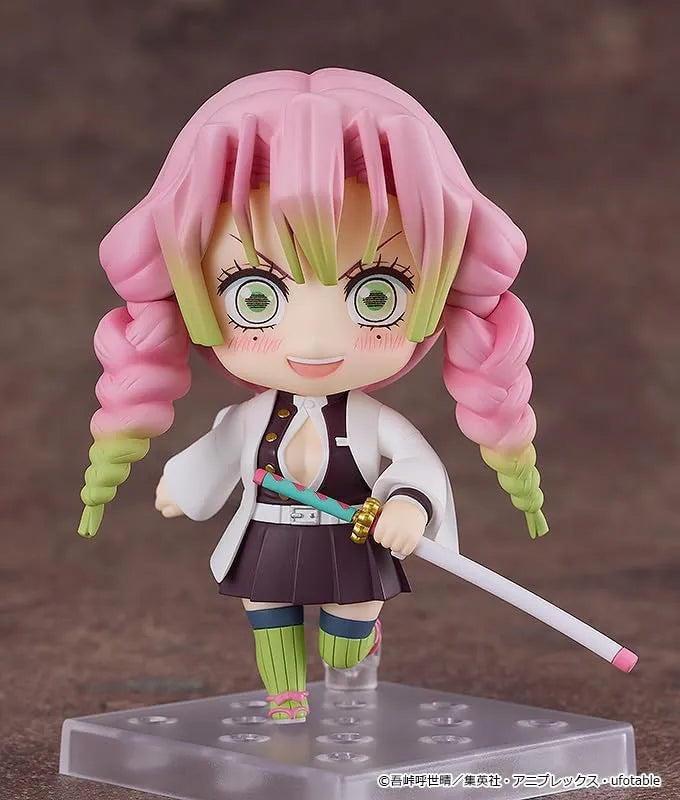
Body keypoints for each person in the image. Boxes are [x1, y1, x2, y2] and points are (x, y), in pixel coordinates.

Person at [79, 69, 546, 723]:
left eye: (377, 294)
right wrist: (184, 485)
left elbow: (416, 466)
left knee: (344, 637)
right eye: (256, 297)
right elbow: (220, 450)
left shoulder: (374, 421)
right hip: (270, 536)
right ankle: (285, 701)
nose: (317, 339)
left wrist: (409, 504)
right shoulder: (249, 419)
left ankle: (357, 649)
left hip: (351, 541)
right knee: (267, 614)